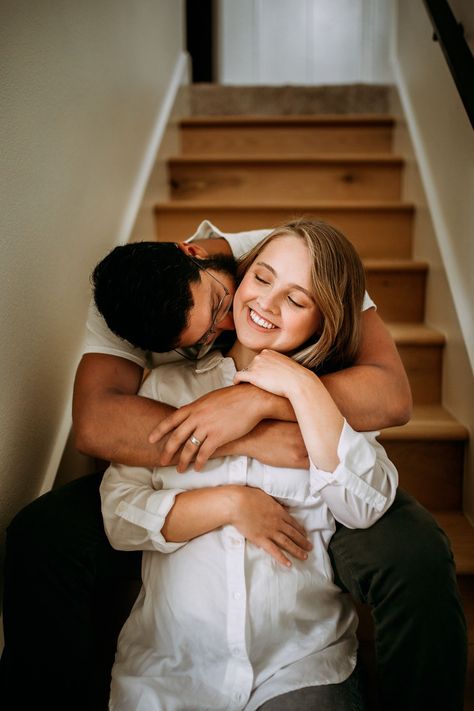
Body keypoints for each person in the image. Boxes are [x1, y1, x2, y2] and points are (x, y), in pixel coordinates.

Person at [0, 219, 466, 711]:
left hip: (297, 655)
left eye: (223, 302)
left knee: (417, 554)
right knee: (39, 532)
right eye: (201, 337)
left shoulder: (284, 258)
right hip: (169, 658)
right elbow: (97, 429)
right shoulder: (133, 317)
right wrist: (244, 448)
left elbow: (389, 400)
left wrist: (279, 395)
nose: (231, 324)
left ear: (198, 255)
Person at [99, 220, 399, 710]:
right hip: (168, 671)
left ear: (327, 320)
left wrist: (302, 387)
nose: (266, 304)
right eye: (262, 278)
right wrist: (228, 503)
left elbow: (367, 503)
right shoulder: (164, 390)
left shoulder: (336, 402)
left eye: (297, 299)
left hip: (299, 663)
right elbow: (120, 516)